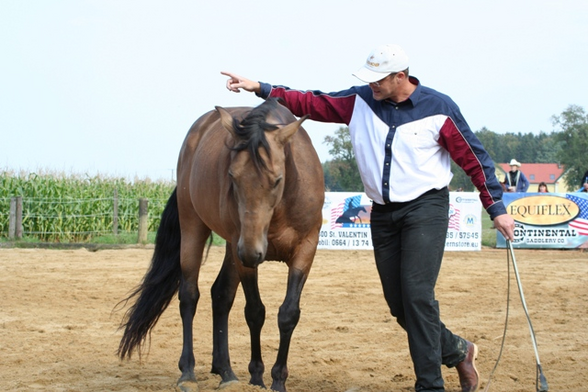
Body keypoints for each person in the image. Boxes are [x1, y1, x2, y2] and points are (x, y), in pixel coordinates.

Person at [222, 43, 515, 392]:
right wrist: (261, 88)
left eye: (379, 80)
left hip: (426, 210)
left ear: (401, 77)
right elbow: (310, 101)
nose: (371, 85)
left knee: (417, 295)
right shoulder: (359, 102)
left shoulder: (439, 108)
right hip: (383, 214)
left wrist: (496, 208)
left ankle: (430, 386)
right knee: (398, 304)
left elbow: (474, 158)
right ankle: (456, 350)